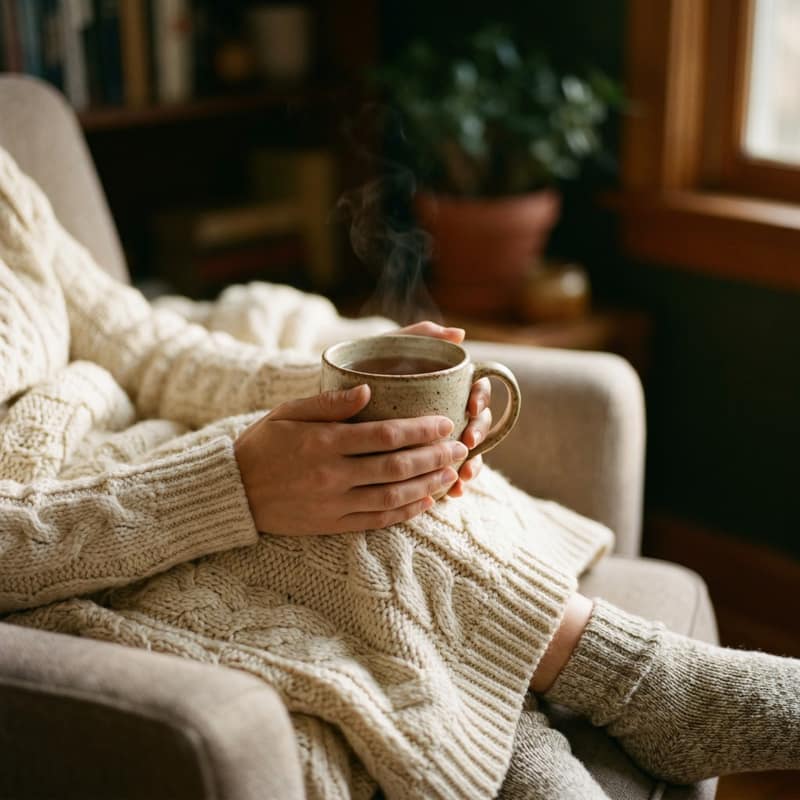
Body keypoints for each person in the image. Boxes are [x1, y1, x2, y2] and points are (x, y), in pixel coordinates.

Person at [0, 144, 798, 800]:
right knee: (349, 526)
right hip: (64, 525)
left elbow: (148, 348)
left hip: (141, 436)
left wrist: (348, 405)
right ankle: (641, 680)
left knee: (373, 490)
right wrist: (229, 487)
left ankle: (562, 730)